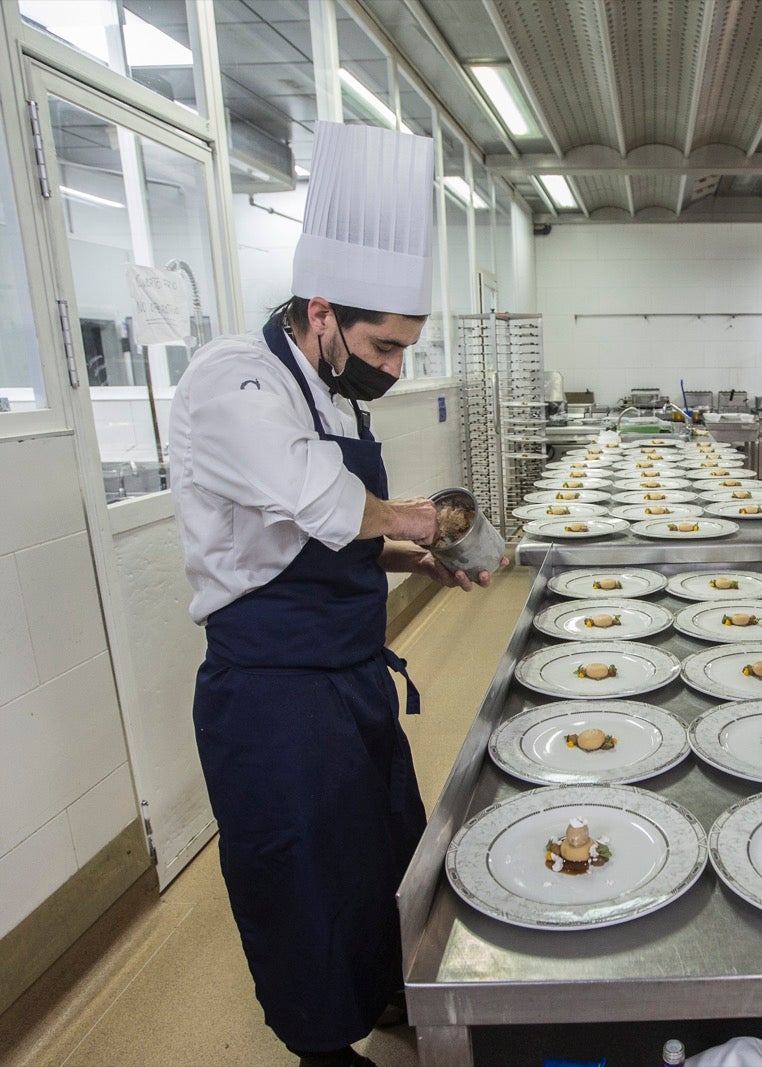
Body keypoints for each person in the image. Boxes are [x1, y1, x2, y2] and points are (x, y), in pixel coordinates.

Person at [169, 122, 499, 1067]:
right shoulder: (233, 381)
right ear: (321, 311)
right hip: (272, 695)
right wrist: (424, 522)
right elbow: (323, 503)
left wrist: (411, 561)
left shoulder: (330, 393)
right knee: (300, 879)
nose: (393, 367)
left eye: (405, 348)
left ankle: (387, 994)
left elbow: (310, 544)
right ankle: (322, 1046)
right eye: (384, 344)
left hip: (349, 678)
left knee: (381, 859)